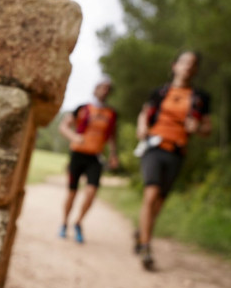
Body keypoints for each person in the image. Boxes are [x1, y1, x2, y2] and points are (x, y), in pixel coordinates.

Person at [135, 50, 211, 270]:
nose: (188, 66)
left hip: (177, 152)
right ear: (174, 65)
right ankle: (146, 247)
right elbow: (145, 112)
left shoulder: (200, 98)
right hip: (154, 147)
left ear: (195, 70)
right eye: (184, 62)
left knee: (159, 201)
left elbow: (207, 127)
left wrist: (198, 128)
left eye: (193, 64)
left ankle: (142, 232)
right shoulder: (160, 92)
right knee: (150, 194)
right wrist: (142, 126)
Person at [58, 77, 119, 243]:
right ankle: (64, 222)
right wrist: (74, 137)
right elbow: (64, 126)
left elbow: (112, 136)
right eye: (102, 87)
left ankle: (78, 222)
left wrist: (113, 155)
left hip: (95, 156)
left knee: (91, 192)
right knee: (72, 192)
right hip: (77, 154)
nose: (104, 91)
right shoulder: (83, 108)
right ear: (96, 89)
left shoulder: (111, 114)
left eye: (108, 88)